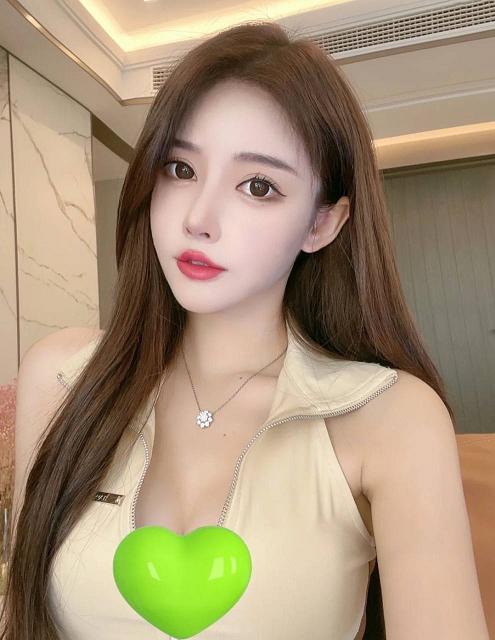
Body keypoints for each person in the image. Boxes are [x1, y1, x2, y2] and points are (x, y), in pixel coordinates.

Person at [1, 20, 489, 640]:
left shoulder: (391, 419)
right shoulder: (62, 377)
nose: (199, 218)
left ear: (322, 223)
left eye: (258, 186)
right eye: (180, 169)